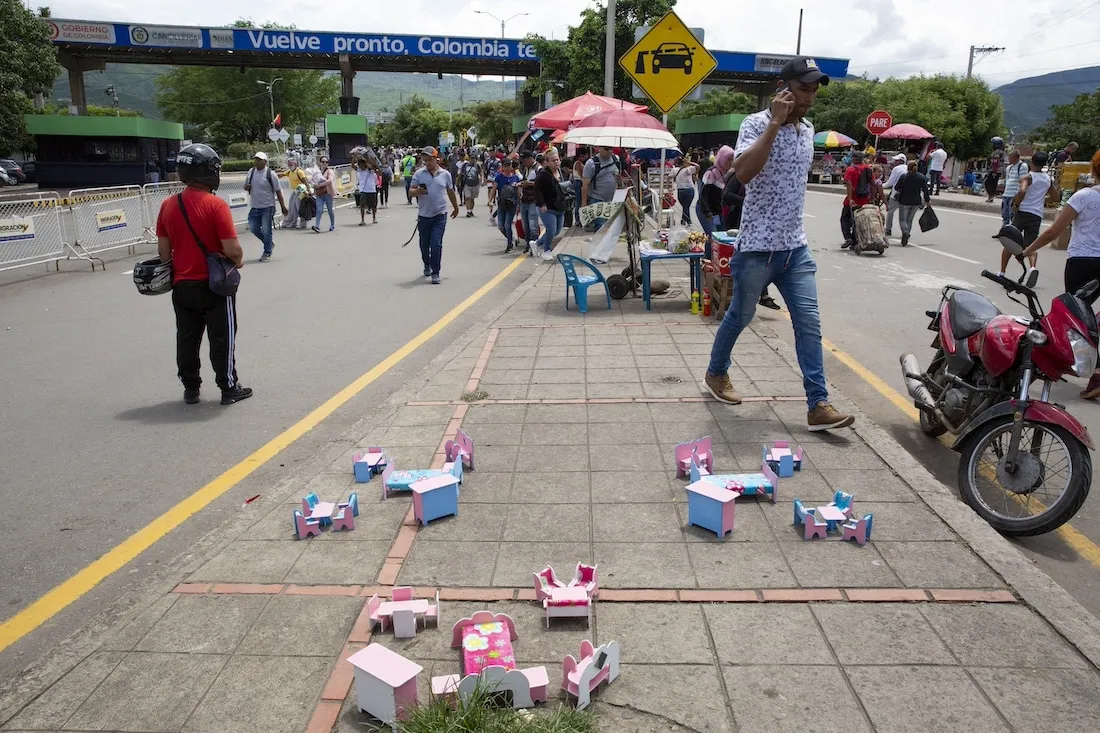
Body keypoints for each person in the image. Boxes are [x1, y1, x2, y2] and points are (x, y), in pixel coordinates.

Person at [704, 56, 854, 432]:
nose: (810, 96)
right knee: (741, 314)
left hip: (795, 248)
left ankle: (818, 404)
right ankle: (716, 373)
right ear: (783, 89)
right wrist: (774, 122)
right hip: (756, 247)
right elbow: (745, 173)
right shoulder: (754, 124)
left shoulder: (808, 130)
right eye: (804, 88)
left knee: (809, 324)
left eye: (814, 89)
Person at [155, 143, 251, 406]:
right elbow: (233, 250)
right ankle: (228, 388)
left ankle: (191, 389)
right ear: (208, 172)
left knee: (187, 338)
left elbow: (164, 252)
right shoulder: (215, 205)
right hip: (214, 285)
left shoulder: (168, 205)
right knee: (222, 337)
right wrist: (238, 262)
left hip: (182, 285)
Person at [1021, 150, 1100, 398]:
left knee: (1075, 317)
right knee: (1092, 318)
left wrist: (1028, 250)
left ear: (1094, 168)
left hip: (1082, 262)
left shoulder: (1084, 196)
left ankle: (1073, 365)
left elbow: (1053, 232)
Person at [410, 146, 460, 284]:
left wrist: (455, 207)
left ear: (436, 158)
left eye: (429, 160)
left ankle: (435, 272)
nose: (427, 162)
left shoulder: (445, 174)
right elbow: (411, 191)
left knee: (436, 244)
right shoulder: (419, 174)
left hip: (440, 215)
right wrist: (417, 191)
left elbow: (450, 191)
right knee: (424, 246)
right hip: (424, 216)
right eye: (425, 160)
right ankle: (427, 263)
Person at [999, 151, 1050, 282]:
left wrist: (1016, 204)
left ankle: (1002, 272)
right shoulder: (1047, 179)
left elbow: (1022, 191)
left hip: (1023, 213)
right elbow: (1055, 197)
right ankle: (1032, 268)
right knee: (1031, 245)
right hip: (1036, 215)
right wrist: (1040, 199)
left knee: (1010, 241)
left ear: (1031, 162)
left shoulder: (1027, 177)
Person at [244, 152, 288, 262]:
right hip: (255, 206)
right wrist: (246, 186)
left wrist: (283, 207)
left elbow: (278, 191)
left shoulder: (270, 174)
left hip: (267, 207)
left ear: (265, 161)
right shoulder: (251, 172)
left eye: (259, 160)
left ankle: (267, 252)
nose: (257, 162)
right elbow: (246, 186)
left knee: (267, 230)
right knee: (253, 228)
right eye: (256, 160)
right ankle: (269, 243)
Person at [533, 148, 567, 262]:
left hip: (560, 206)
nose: (556, 162)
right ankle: (546, 251)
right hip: (547, 207)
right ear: (547, 162)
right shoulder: (543, 174)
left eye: (557, 160)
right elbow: (537, 189)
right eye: (553, 160)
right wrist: (542, 204)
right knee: (551, 230)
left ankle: (537, 243)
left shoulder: (562, 172)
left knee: (557, 231)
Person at [581, 145, 622, 231]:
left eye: (611, 149)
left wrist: (619, 180)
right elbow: (585, 185)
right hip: (597, 199)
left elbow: (617, 177)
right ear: (599, 149)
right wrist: (584, 204)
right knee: (600, 228)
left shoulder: (616, 159)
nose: (610, 151)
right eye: (607, 149)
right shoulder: (591, 163)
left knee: (610, 227)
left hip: (612, 199)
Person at [698, 146, 732, 239]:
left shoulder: (727, 174)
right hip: (706, 211)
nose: (730, 163)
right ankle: (710, 254)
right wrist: (707, 212)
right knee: (713, 236)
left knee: (722, 237)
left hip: (718, 212)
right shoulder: (711, 173)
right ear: (722, 159)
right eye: (728, 160)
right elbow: (703, 195)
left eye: (732, 160)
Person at [894, 161, 931, 246]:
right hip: (916, 202)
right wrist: (927, 200)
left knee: (902, 220)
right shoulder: (921, 177)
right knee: (909, 220)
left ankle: (905, 233)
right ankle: (906, 235)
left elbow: (896, 187)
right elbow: (925, 190)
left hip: (904, 201)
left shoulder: (904, 176)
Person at [489, 158, 521, 252]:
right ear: (502, 167)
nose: (508, 167)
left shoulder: (515, 177)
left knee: (507, 225)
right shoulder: (499, 177)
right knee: (501, 226)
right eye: (505, 166)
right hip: (502, 204)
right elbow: (494, 189)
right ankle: (511, 238)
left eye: (509, 165)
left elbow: (519, 192)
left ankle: (509, 244)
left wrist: (520, 201)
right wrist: (490, 200)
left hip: (512, 204)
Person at [841, 150, 871, 248]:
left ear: (854, 159)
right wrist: (873, 197)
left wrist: (850, 198)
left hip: (853, 199)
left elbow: (849, 183)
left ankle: (848, 238)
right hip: (864, 200)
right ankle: (855, 240)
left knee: (845, 219)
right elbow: (873, 184)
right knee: (859, 220)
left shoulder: (850, 169)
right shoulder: (868, 169)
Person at [517, 150, 541, 253]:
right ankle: (528, 244)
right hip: (524, 199)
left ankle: (534, 245)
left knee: (533, 225)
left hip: (533, 200)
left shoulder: (538, 169)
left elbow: (541, 183)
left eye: (525, 160)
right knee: (525, 225)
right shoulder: (525, 168)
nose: (524, 162)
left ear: (530, 158)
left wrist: (529, 184)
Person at [1000, 149, 1029, 226]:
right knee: (1004, 214)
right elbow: (1007, 180)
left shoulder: (1022, 166)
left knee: (1012, 215)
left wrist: (1018, 195)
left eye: (1010, 157)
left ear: (1015, 157)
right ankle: (1004, 230)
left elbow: (1023, 181)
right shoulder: (1009, 168)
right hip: (1006, 193)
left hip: (1014, 194)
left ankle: (1013, 231)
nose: (1009, 159)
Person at [282, 157, 311, 229]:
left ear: (295, 164)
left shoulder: (299, 172)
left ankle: (303, 223)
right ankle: (292, 222)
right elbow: (282, 175)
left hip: (301, 191)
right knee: (292, 207)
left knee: (299, 207)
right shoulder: (289, 172)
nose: (289, 166)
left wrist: (309, 191)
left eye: (291, 164)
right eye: (288, 164)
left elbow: (306, 182)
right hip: (295, 191)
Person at [883, 153, 907, 236]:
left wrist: (880, 186)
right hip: (905, 195)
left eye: (896, 160)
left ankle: (888, 229)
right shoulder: (908, 168)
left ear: (900, 161)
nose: (894, 162)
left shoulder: (897, 169)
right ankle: (905, 231)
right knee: (903, 215)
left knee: (890, 212)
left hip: (896, 194)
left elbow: (890, 183)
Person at [311, 156, 336, 233]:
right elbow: (311, 179)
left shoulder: (329, 171)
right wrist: (314, 184)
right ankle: (317, 226)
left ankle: (332, 224)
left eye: (326, 162)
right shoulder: (317, 171)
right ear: (320, 163)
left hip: (327, 193)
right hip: (319, 193)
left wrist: (320, 185)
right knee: (319, 210)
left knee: (330, 210)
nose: (324, 163)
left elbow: (330, 180)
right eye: (323, 162)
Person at [675, 159, 699, 226]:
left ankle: (686, 220)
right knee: (686, 206)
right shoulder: (688, 169)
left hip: (680, 191)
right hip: (689, 190)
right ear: (684, 163)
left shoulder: (675, 170)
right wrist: (690, 162)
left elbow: (669, 177)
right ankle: (686, 220)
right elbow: (698, 166)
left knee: (685, 206)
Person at [356, 158, 378, 225]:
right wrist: (354, 156)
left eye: (362, 165)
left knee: (373, 206)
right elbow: (352, 166)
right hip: (363, 190)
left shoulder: (370, 170)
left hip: (371, 190)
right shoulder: (359, 170)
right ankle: (362, 220)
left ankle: (374, 217)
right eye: (359, 165)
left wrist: (371, 163)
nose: (361, 166)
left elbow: (378, 171)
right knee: (362, 206)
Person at [571, 148, 590, 226]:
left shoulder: (578, 163)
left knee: (579, 201)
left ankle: (579, 219)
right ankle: (578, 220)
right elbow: (581, 174)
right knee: (579, 201)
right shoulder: (578, 163)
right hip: (579, 182)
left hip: (578, 182)